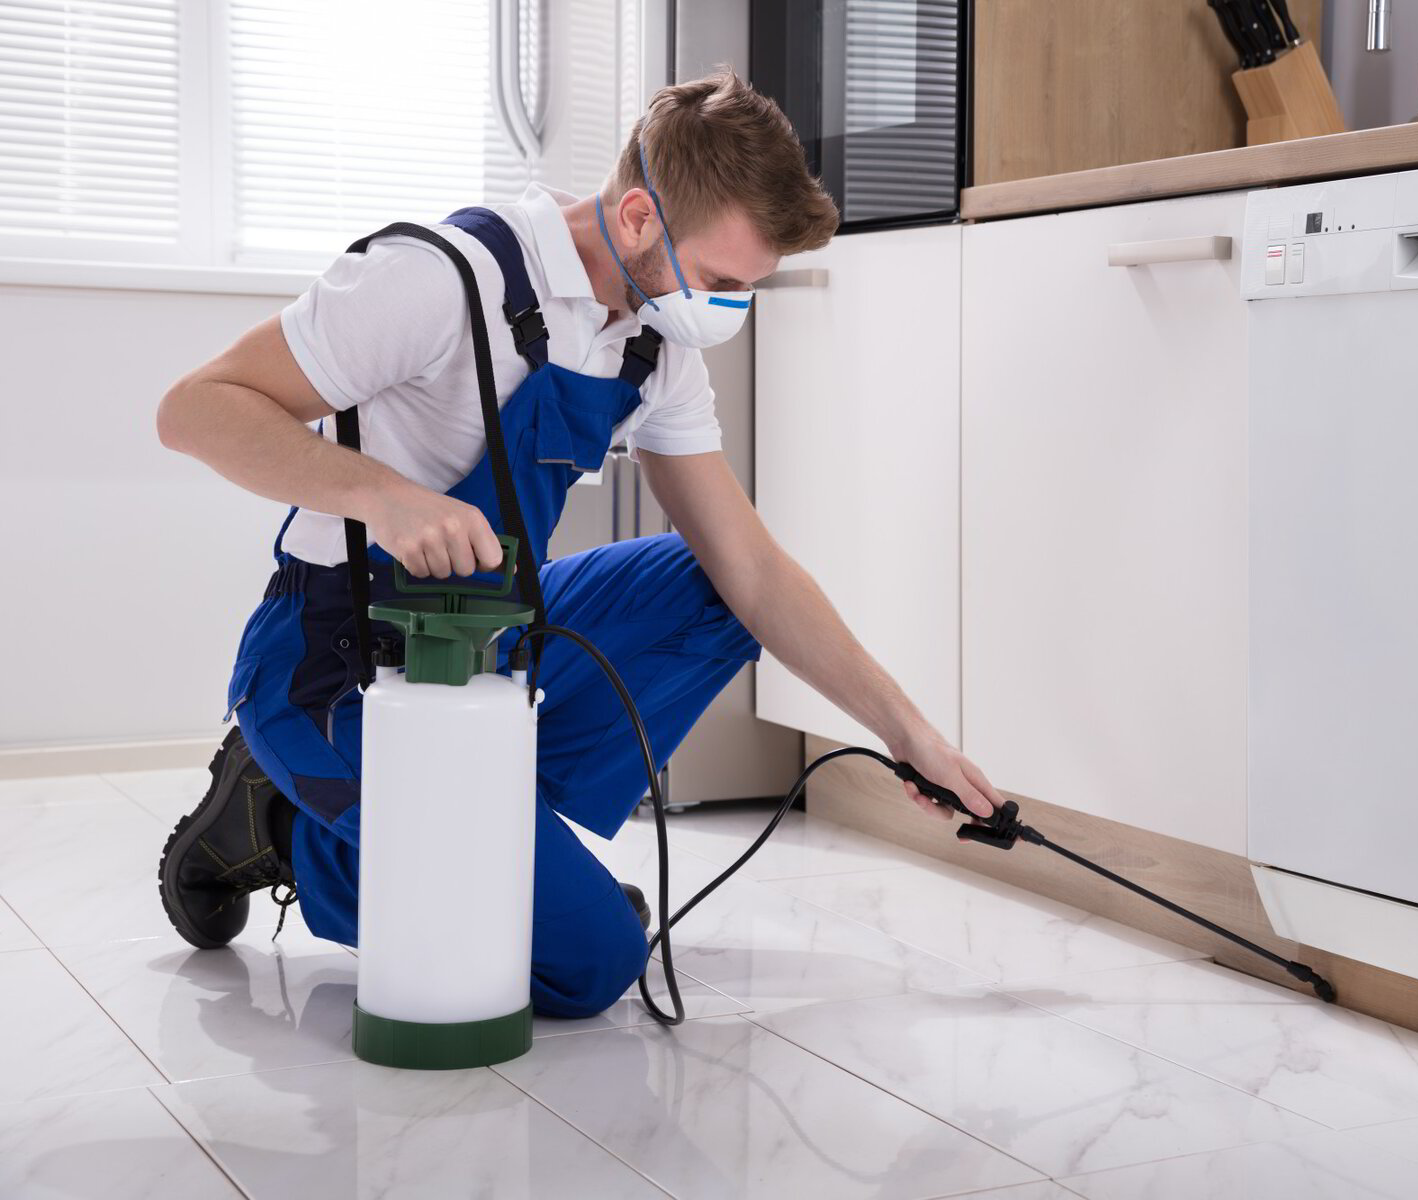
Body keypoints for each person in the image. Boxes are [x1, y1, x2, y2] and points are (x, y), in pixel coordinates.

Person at [154, 69, 1004, 1018]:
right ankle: (278, 822)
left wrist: (909, 736)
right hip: (331, 665)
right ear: (638, 216)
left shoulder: (655, 345)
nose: (726, 308)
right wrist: (385, 500)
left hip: (492, 641)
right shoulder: (442, 278)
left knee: (712, 584)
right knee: (592, 966)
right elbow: (194, 410)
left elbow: (754, 571)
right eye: (722, 281)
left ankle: (498, 839)